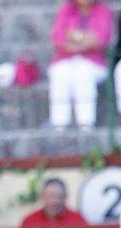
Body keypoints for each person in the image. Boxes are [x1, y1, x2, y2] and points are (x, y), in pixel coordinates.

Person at [48, 0, 113, 131]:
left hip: (94, 63)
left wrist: (74, 37)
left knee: (83, 71)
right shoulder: (66, 9)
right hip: (66, 59)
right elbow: (58, 39)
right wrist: (85, 40)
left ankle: (86, 123)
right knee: (60, 72)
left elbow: (101, 38)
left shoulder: (103, 10)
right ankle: (59, 124)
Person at [20, 176, 88, 227]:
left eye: (58, 196)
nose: (54, 201)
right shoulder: (30, 221)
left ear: (65, 196)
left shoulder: (77, 221)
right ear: (42, 196)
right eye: (50, 196)